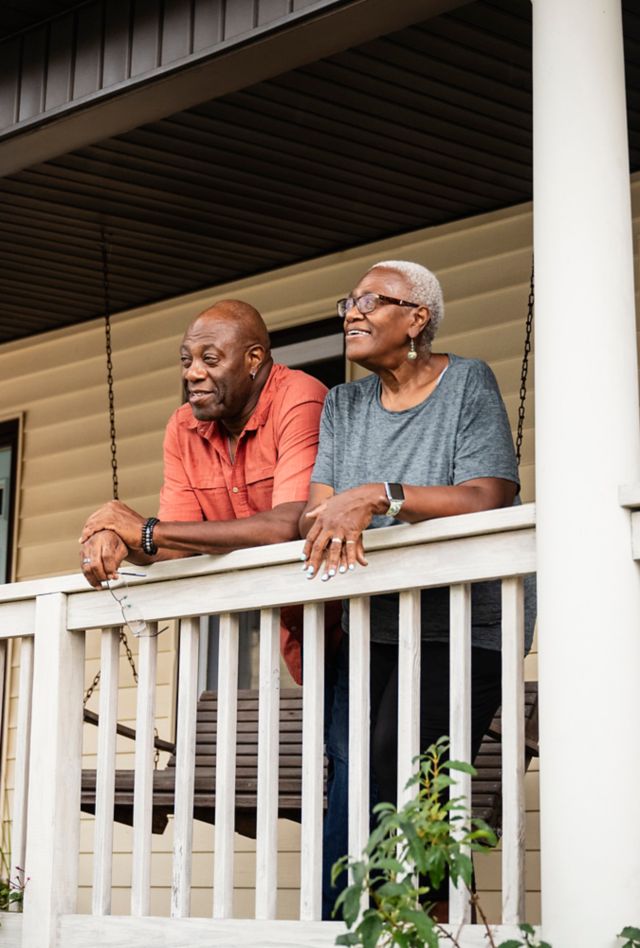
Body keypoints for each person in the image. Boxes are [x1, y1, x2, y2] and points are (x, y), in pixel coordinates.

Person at [299, 260, 535, 919]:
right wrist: (350, 506)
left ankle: (416, 923)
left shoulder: (466, 382)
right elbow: (320, 512)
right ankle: (388, 921)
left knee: (402, 774)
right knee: (367, 781)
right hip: (375, 624)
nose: (351, 312)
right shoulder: (344, 405)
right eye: (349, 300)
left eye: (371, 301)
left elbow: (489, 494)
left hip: (466, 623)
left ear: (417, 317)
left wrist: (381, 496)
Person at [80, 298, 329, 682]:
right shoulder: (182, 428)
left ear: (254, 359)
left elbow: (287, 526)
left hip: (353, 614)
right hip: (295, 631)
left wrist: (146, 530)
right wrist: (121, 541)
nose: (192, 374)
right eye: (186, 361)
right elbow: (176, 543)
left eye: (209, 360)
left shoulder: (298, 396)